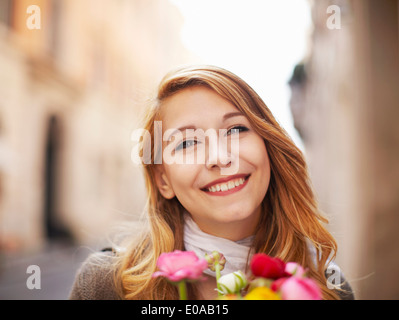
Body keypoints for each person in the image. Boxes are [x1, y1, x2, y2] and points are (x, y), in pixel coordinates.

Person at [69, 65, 354, 300]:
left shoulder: (327, 286)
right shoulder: (106, 286)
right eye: (188, 143)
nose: (219, 158)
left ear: (269, 146)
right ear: (163, 180)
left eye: (236, 129)